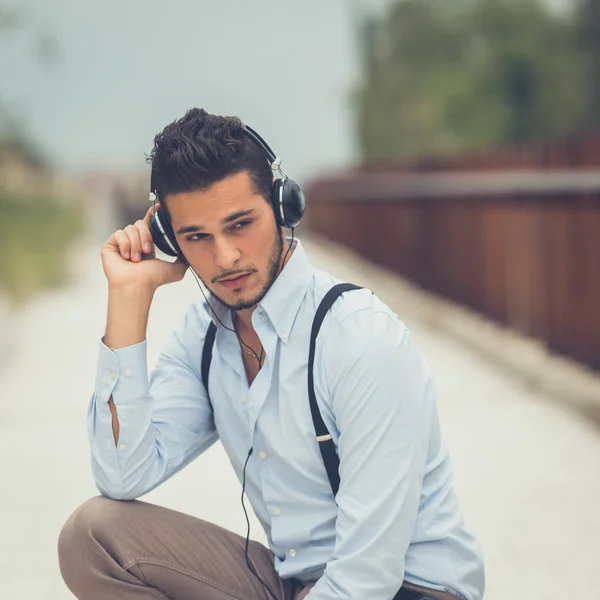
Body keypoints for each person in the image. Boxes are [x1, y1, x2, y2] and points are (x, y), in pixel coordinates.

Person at [57, 108, 485, 600]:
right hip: (294, 586)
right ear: (170, 239)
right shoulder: (203, 338)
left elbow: (368, 576)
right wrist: (129, 300)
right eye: (197, 236)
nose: (225, 257)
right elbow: (121, 474)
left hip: (408, 590)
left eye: (241, 224)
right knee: (94, 535)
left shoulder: (360, 340)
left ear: (284, 207)